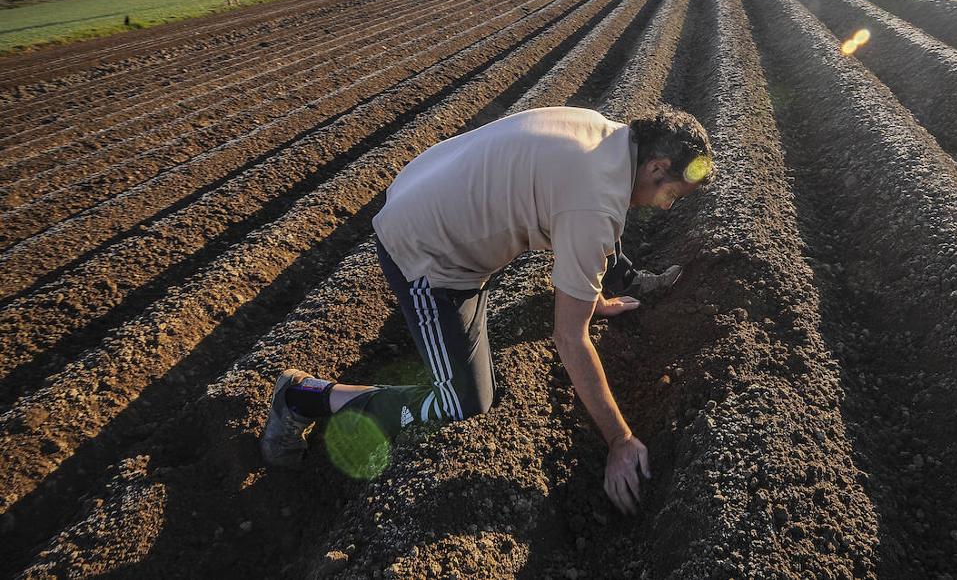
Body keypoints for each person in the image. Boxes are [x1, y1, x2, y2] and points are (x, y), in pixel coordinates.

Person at [261, 105, 714, 515]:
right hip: (426, 251)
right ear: (656, 166)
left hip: (427, 185)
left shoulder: (606, 136)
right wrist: (619, 439)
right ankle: (303, 396)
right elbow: (569, 338)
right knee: (462, 401)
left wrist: (594, 299)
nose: (667, 204)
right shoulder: (592, 204)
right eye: (672, 193)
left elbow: (579, 222)